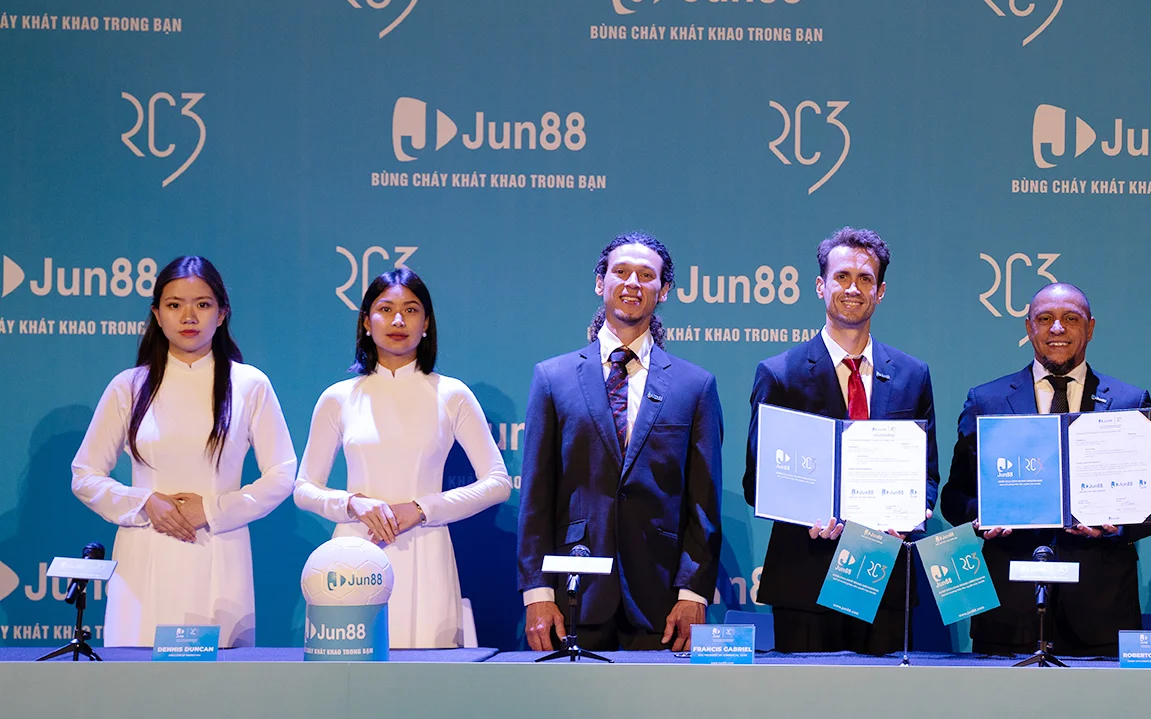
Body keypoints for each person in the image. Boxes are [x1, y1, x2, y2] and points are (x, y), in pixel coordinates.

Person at [939, 282, 1151, 657]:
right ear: (1028, 327)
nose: (1057, 329)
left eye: (1071, 319)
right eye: (1045, 318)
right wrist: (982, 518)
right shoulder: (986, 401)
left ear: (1090, 328)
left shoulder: (1129, 402)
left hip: (1101, 607)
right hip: (1009, 606)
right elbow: (954, 497)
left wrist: (1120, 528)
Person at [71, 256, 296, 647]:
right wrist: (145, 503)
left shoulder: (249, 384)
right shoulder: (129, 387)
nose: (188, 316)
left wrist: (212, 509)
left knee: (218, 678)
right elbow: (84, 475)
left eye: (202, 304)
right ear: (157, 315)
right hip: (144, 555)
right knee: (136, 675)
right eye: (174, 305)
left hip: (220, 553)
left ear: (222, 314)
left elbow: (282, 474)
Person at [518, 231, 722, 652]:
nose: (633, 283)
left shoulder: (695, 385)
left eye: (646, 275)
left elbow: (704, 501)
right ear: (600, 282)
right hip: (572, 595)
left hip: (661, 601)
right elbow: (535, 496)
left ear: (664, 290)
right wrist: (537, 591)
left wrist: (693, 592)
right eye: (621, 272)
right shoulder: (552, 379)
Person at [294, 268, 512, 649]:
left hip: (427, 551)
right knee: (354, 675)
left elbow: (498, 483)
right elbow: (304, 489)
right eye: (385, 309)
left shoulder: (451, 394)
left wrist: (422, 509)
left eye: (411, 310)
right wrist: (352, 504)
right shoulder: (338, 398)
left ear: (426, 324)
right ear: (366, 322)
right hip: (354, 557)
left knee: (428, 675)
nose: (398, 320)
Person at [744, 227, 937, 654]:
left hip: (882, 574)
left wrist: (911, 512)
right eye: (842, 277)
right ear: (820, 286)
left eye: (865, 279)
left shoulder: (912, 375)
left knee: (885, 693)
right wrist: (803, 513)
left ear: (880, 292)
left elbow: (927, 474)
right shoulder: (780, 374)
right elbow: (757, 481)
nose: (853, 288)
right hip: (804, 578)